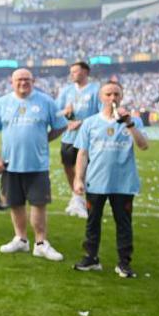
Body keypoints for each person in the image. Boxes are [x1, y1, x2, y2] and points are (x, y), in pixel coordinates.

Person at [0, 68, 67, 261]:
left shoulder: (45, 101)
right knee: (15, 203)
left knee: (39, 203)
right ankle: (21, 239)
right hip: (10, 165)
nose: (23, 82)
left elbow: (60, 125)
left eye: (27, 79)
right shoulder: (1, 103)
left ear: (33, 81)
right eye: (19, 79)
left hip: (37, 164)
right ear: (11, 82)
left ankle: (40, 242)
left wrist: (43, 140)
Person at [72, 81, 148, 278]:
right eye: (108, 94)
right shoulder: (90, 123)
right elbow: (82, 153)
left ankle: (124, 263)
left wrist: (129, 124)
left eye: (116, 94)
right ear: (101, 97)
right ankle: (91, 257)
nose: (112, 98)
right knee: (92, 221)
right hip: (95, 181)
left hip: (123, 182)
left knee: (123, 223)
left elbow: (143, 145)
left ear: (121, 96)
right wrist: (78, 179)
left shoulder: (134, 121)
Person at [56, 61, 100, 219]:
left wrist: (82, 122)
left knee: (85, 170)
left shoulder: (96, 90)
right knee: (68, 166)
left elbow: (101, 114)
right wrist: (66, 114)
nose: (72, 74)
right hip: (68, 137)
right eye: (71, 71)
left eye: (75, 71)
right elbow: (56, 111)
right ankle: (76, 197)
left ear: (85, 72)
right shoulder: (66, 91)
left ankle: (82, 201)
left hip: (87, 138)